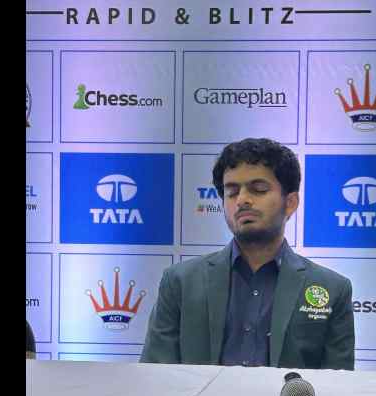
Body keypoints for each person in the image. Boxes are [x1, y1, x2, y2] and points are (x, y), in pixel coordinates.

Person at [140, 138, 354, 370]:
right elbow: (156, 377)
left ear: (290, 203)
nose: (242, 200)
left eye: (258, 189)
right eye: (231, 192)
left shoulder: (333, 289)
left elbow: (336, 389)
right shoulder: (180, 281)